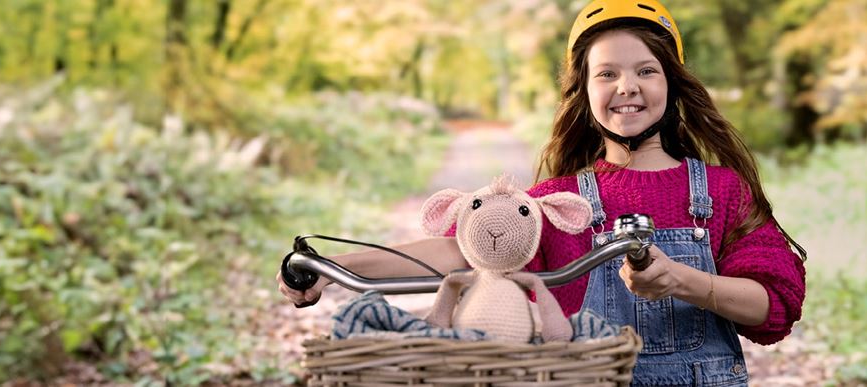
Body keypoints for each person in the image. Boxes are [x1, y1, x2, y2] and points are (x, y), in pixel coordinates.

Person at [278, 1, 806, 385]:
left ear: (671, 84)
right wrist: (327, 265)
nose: (628, 86)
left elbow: (775, 305)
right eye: (607, 73)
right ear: (585, 91)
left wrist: (684, 281)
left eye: (647, 70)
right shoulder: (556, 201)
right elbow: (463, 250)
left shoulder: (721, 191)